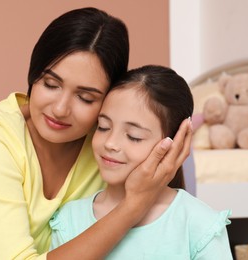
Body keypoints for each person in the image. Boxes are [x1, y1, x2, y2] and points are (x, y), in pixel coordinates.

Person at [0, 8, 193, 259]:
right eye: (50, 84)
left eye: (85, 97)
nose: (60, 108)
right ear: (33, 76)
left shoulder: (106, 149)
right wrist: (134, 205)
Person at [49, 65, 233, 259]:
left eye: (134, 137)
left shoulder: (198, 223)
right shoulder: (70, 219)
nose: (110, 143)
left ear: (175, 144)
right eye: (103, 127)